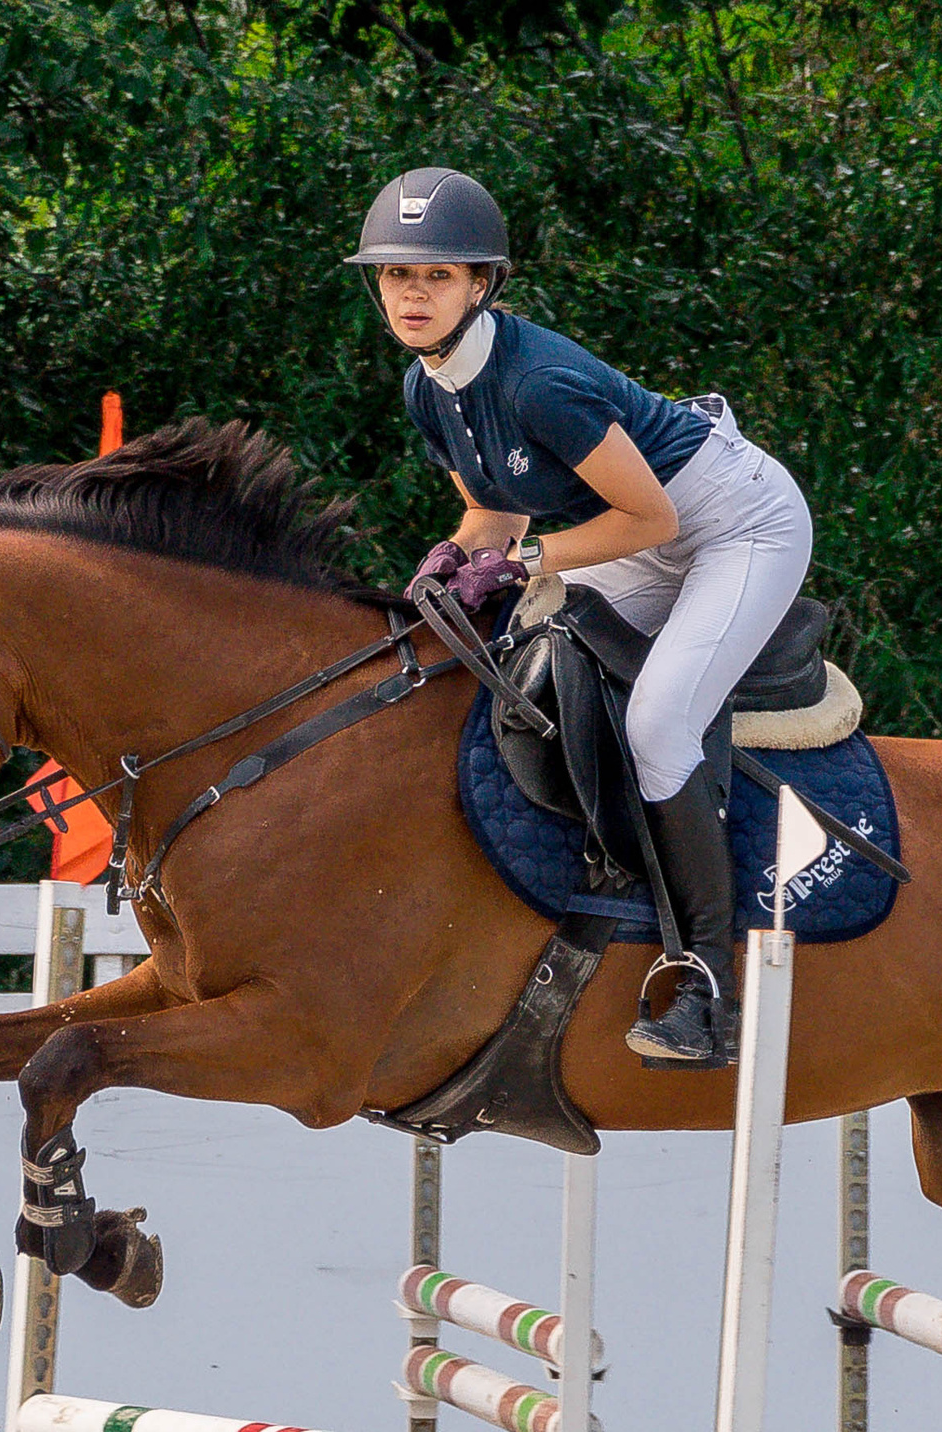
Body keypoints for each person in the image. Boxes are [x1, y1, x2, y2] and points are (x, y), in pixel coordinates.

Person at [346, 167, 816, 1067]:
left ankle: (710, 990)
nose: (413, 293)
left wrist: (521, 563)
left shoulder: (537, 384)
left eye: (437, 276)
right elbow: (495, 512)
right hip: (651, 527)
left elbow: (652, 521)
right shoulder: (426, 387)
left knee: (660, 722)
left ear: (481, 284)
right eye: (397, 274)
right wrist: (456, 557)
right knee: (524, 663)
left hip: (738, 525)